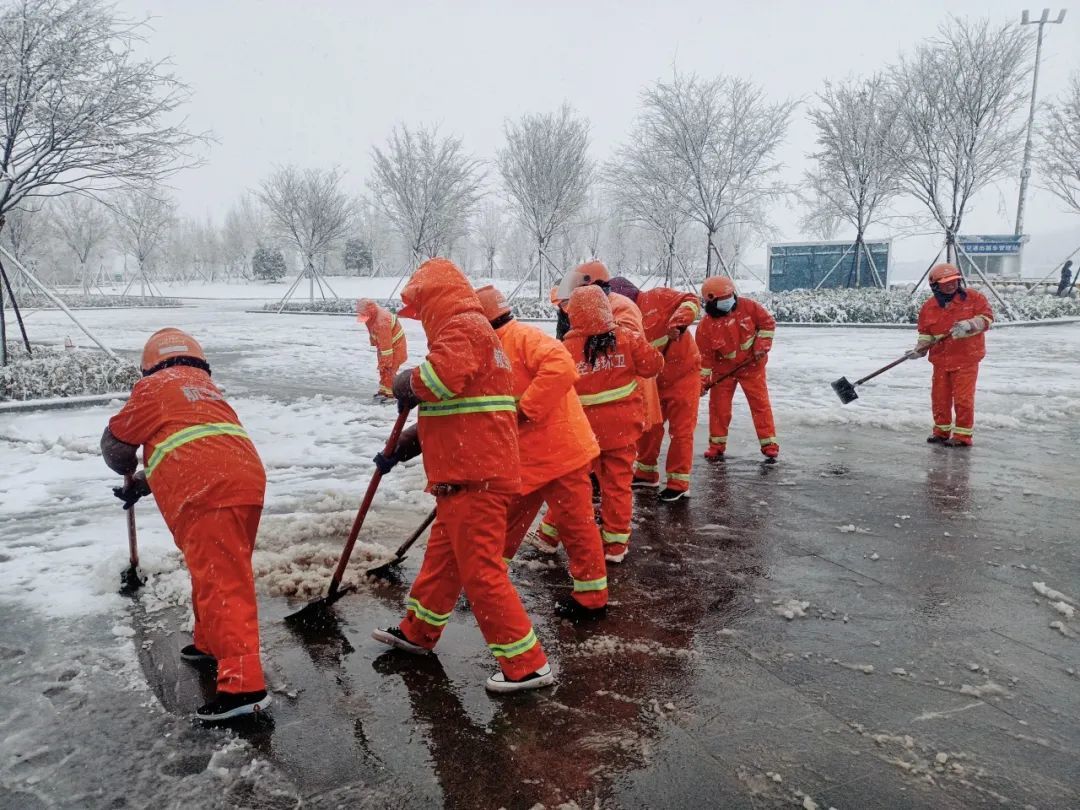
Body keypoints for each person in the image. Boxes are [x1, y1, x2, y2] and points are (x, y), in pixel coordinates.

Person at [371, 258, 554, 693]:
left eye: (421, 309)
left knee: (482, 573)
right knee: (442, 563)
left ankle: (527, 665)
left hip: (476, 477)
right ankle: (418, 632)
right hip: (461, 475)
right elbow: (456, 406)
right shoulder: (471, 333)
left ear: (435, 299)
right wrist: (407, 443)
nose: (421, 321)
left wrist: (405, 382)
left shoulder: (464, 328)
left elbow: (435, 381)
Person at [100, 328, 270, 722]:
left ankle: (245, 688)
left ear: (151, 365)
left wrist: (124, 464)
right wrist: (143, 482)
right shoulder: (206, 388)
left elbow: (115, 443)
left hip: (206, 489)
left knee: (223, 580)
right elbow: (194, 441)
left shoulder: (155, 386)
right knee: (213, 570)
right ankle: (210, 643)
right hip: (241, 481)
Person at [473, 285, 608, 621]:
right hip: (527, 459)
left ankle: (592, 600)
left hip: (561, 456)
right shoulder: (493, 346)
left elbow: (562, 368)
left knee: (576, 527)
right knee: (505, 522)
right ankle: (486, 583)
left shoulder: (522, 337)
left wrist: (525, 410)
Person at [562, 285, 664, 563]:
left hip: (584, 433)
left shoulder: (566, 348)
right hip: (622, 430)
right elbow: (653, 366)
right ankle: (616, 545)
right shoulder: (626, 338)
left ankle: (554, 535)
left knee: (576, 485)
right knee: (617, 486)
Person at [609, 277, 702, 502]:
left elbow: (691, 300)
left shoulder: (658, 297)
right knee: (650, 426)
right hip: (652, 379)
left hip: (683, 374)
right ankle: (646, 472)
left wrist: (680, 320)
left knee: (681, 430)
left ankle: (678, 482)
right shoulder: (621, 317)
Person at [906, 263, 993, 447]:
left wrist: (971, 324)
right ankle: (941, 432)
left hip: (966, 358)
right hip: (941, 360)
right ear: (935, 285)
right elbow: (925, 335)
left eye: (954, 281)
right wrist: (919, 350)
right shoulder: (929, 307)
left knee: (963, 398)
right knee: (939, 398)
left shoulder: (974, 298)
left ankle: (962, 436)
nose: (951, 285)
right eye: (946, 282)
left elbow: (986, 318)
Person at [694, 277, 779, 461]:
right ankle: (716, 445)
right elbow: (704, 360)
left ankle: (769, 444)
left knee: (760, 405)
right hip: (723, 371)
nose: (728, 302)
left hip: (752, 366)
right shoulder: (705, 327)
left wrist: (761, 346)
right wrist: (701, 383)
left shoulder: (750, 307)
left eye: (730, 297)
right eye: (722, 301)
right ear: (710, 302)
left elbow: (767, 324)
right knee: (719, 408)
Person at [357, 298, 408, 399]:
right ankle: (383, 390)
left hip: (395, 347)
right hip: (385, 346)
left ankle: (391, 393)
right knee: (383, 369)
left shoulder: (382, 322)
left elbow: (387, 346)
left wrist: (386, 361)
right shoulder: (372, 315)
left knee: (389, 369)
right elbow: (373, 331)